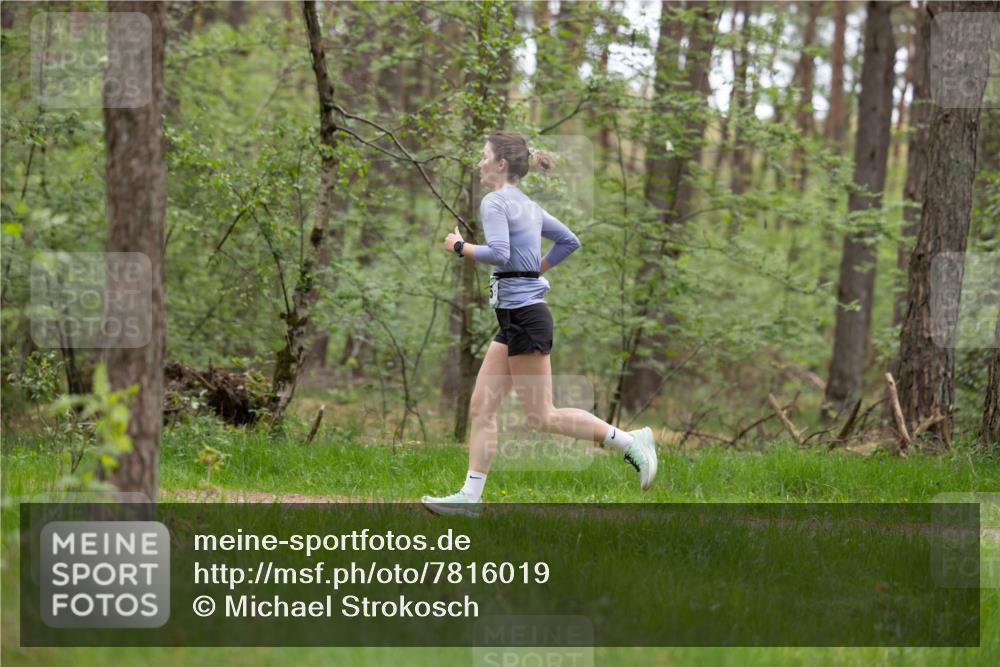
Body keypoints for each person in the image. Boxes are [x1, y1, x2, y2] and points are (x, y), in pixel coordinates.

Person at [421, 131, 657, 517]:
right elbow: (569, 241)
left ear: (500, 164)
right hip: (515, 318)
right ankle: (469, 499)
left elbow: (499, 252)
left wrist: (459, 247)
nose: (480, 162)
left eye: (485, 156)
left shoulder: (495, 202)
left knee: (542, 416)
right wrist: (534, 271)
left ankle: (630, 442)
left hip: (526, 318)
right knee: (482, 406)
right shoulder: (527, 205)